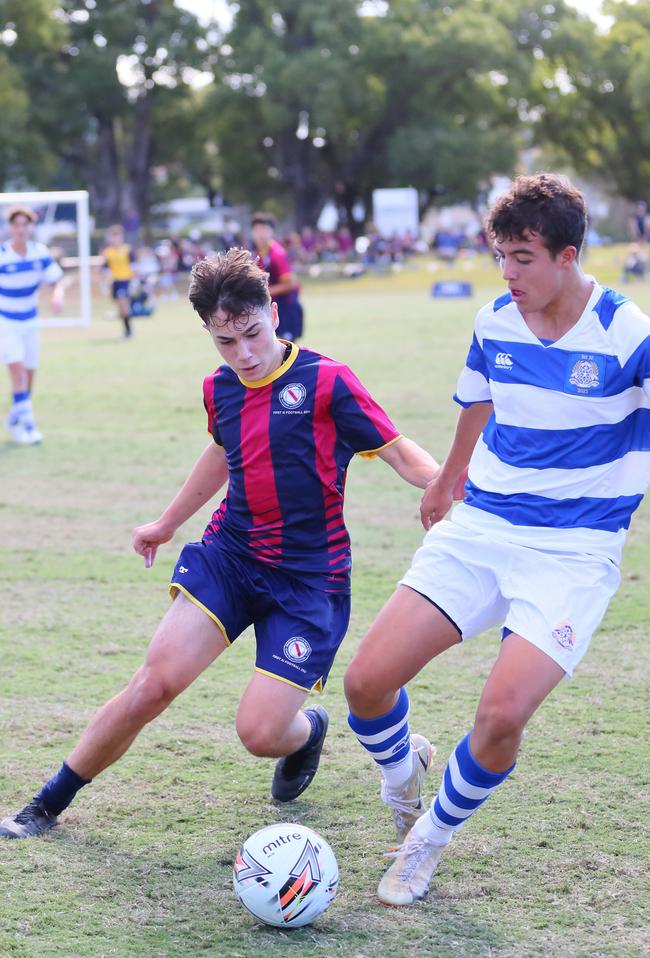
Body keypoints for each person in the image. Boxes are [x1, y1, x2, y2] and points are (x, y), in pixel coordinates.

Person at [0, 247, 440, 840]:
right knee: (152, 684)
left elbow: (396, 448)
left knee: (259, 734)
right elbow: (222, 453)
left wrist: (446, 484)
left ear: (274, 314)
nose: (244, 355)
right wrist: (167, 521)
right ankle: (47, 803)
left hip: (310, 580)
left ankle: (307, 732)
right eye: (225, 343)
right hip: (231, 557)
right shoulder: (221, 389)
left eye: (252, 335)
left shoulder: (329, 381)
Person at [343, 173, 650, 907]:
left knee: (502, 715)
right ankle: (401, 777)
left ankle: (427, 842)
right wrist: (447, 481)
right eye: (500, 256)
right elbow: (478, 401)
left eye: (522, 258)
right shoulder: (494, 321)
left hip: (573, 552)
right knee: (365, 683)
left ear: (568, 256)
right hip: (482, 528)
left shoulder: (625, 331)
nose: (507, 273)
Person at [1, 205, 65, 445]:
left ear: (30, 227)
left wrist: (57, 295)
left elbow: (56, 280)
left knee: (29, 378)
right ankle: (29, 426)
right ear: (10, 228)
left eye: (24, 224)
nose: (20, 229)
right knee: (17, 373)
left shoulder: (40, 253)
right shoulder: (2, 254)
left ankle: (15, 418)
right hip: (6, 322)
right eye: (16, 224)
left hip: (30, 321)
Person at [251, 212, 304, 341]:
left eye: (264, 229)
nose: (260, 234)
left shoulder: (277, 253)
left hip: (285, 308)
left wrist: (262, 293)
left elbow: (290, 283)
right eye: (257, 230)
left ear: (272, 232)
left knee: (285, 352)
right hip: (270, 308)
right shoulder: (260, 253)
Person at [101, 224, 135, 339]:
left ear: (121, 237)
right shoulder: (108, 252)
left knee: (122, 304)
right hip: (114, 282)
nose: (116, 239)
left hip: (125, 280)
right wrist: (105, 283)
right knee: (121, 309)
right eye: (114, 236)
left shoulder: (127, 250)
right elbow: (106, 268)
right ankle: (127, 329)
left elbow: (133, 266)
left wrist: (134, 280)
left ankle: (129, 330)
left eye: (118, 236)